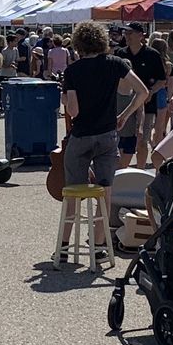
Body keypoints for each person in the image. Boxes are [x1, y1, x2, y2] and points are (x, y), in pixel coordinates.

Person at [62, 22, 150, 250]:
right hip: (107, 134)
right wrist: (124, 114)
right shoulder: (116, 63)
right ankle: (100, 246)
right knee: (105, 191)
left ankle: (63, 245)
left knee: (72, 192)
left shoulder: (73, 71)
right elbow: (143, 91)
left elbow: (73, 111)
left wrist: (66, 100)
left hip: (81, 135)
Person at [115, 24, 168, 169]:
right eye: (125, 33)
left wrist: (150, 92)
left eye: (130, 33)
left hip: (146, 105)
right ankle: (122, 169)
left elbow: (162, 80)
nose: (127, 36)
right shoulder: (120, 54)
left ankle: (140, 170)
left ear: (141, 35)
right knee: (120, 140)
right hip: (122, 104)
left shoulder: (152, 55)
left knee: (142, 140)